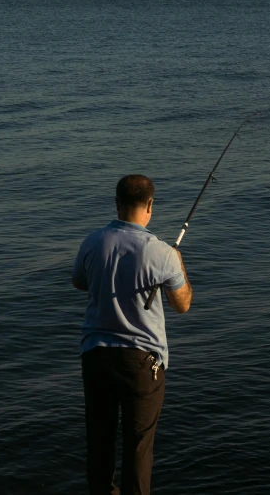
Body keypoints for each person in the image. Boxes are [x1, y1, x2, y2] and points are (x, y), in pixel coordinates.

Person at [72, 174, 192, 495]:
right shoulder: (163, 253)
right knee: (138, 447)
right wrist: (178, 264)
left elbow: (79, 281)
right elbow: (182, 305)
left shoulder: (92, 242)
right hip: (143, 365)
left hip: (96, 356)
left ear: (116, 203)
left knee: (100, 442)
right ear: (150, 205)